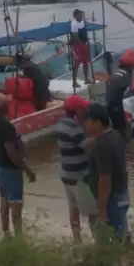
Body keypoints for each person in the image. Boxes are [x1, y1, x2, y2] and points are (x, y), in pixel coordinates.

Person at [0, 92, 36, 238]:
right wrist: (27, 170)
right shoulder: (5, 124)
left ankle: (6, 233)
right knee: (16, 203)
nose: (9, 105)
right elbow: (11, 151)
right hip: (9, 169)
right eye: (7, 103)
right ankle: (18, 236)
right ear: (2, 106)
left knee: (4, 200)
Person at [84, 102, 130, 242]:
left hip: (111, 198)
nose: (86, 124)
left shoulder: (102, 145)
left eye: (88, 120)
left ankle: (117, 259)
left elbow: (105, 179)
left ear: (97, 122)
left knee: (112, 236)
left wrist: (102, 210)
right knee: (122, 230)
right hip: (121, 192)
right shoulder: (114, 135)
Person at [56, 95, 97, 243]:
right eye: (83, 108)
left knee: (73, 209)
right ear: (75, 110)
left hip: (66, 174)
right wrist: (99, 134)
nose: (86, 110)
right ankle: (98, 241)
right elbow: (88, 145)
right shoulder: (73, 127)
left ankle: (77, 240)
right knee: (92, 212)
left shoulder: (61, 123)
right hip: (79, 176)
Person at [106, 49, 134, 137]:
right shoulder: (127, 76)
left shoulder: (118, 73)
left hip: (110, 105)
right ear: (133, 66)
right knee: (121, 129)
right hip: (117, 107)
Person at [70, 9, 92, 87]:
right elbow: (75, 36)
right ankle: (74, 82)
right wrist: (81, 45)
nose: (81, 17)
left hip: (84, 44)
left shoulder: (82, 22)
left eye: (81, 15)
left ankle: (86, 79)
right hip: (78, 46)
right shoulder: (74, 24)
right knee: (76, 64)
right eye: (79, 15)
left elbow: (84, 32)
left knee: (86, 62)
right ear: (75, 16)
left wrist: (86, 41)